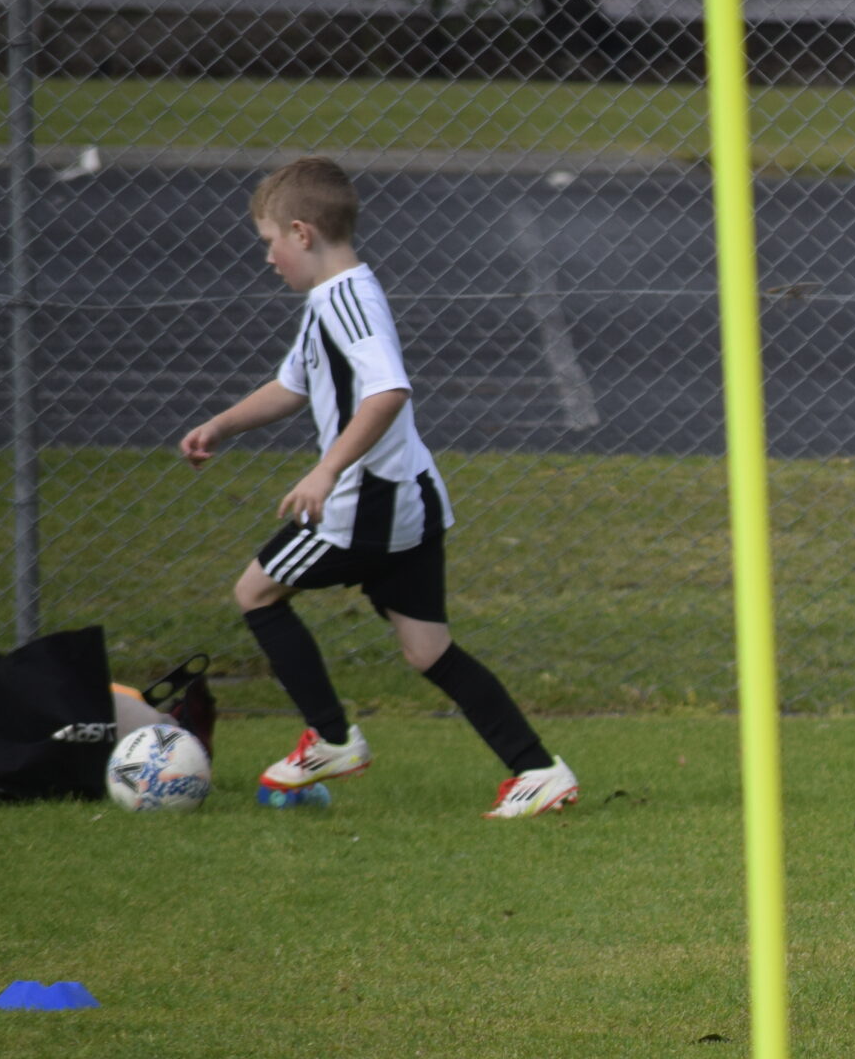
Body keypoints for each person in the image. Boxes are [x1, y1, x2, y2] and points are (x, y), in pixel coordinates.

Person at [180, 158, 577, 818]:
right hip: (410, 499)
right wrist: (222, 425)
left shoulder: (344, 301)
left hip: (366, 504)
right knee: (428, 649)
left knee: (256, 590)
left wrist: (325, 469)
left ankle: (333, 738)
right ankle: (538, 770)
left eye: (269, 243)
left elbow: (388, 389)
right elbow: (294, 385)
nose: (268, 258)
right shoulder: (331, 299)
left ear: (302, 233)